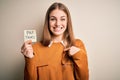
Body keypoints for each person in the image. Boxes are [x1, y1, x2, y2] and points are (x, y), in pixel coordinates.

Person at [21, 2, 89, 80]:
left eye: (62, 19)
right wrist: (29, 59)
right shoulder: (35, 48)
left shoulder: (77, 44)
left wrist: (78, 55)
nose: (58, 23)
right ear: (48, 22)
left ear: (67, 21)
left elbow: (84, 78)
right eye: (53, 19)